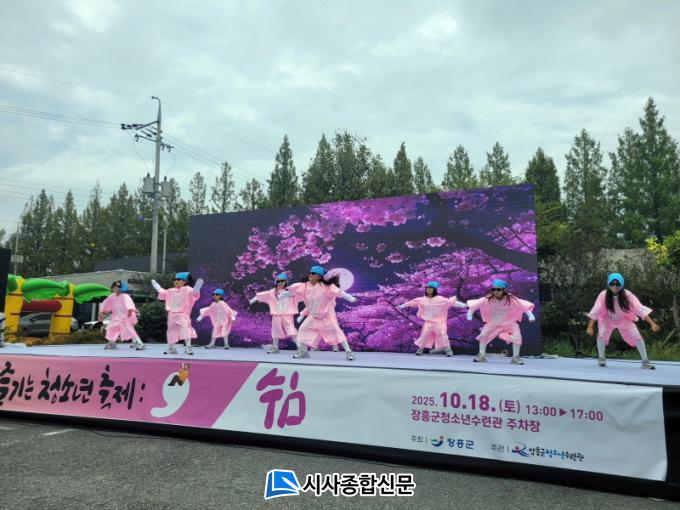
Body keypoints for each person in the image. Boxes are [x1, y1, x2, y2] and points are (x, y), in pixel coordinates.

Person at [586, 273, 659, 369]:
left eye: (618, 284)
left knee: (637, 336)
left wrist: (652, 323)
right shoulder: (603, 295)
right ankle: (601, 358)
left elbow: (639, 308)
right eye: (612, 283)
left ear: (622, 284)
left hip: (624, 319)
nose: (615, 286)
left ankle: (645, 361)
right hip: (607, 319)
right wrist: (590, 326)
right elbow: (596, 309)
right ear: (608, 284)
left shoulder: (627, 295)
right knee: (602, 334)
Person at [283, 266, 357, 360]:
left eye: (313, 273)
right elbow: (295, 291)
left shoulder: (327, 287)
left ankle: (349, 352)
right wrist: (285, 294)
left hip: (326, 316)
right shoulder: (305, 286)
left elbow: (339, 292)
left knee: (336, 333)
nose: (310, 275)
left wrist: (350, 298)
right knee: (302, 330)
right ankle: (304, 352)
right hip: (313, 316)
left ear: (319, 276)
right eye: (310, 273)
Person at [467, 279, 535, 365]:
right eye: (494, 289)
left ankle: (516, 357)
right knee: (483, 335)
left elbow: (523, 306)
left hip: (509, 323)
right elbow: (475, 305)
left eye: (498, 289)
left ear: (504, 290)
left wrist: (531, 316)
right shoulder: (487, 299)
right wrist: (469, 315)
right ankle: (481, 355)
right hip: (493, 322)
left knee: (517, 336)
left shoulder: (511, 299)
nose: (496, 291)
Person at [398, 281, 467, 356]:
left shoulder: (441, 299)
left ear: (434, 290)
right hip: (428, 322)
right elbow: (412, 302)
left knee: (442, 335)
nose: (428, 289)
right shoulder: (422, 299)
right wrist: (402, 306)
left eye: (430, 288)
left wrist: (464, 305)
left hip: (440, 322)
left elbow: (451, 302)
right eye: (427, 288)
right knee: (424, 335)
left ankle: (448, 351)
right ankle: (420, 349)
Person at [151, 272, 203, 355]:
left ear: (184, 281)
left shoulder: (188, 289)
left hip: (183, 314)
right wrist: (156, 285)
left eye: (178, 279)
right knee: (171, 331)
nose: (176, 281)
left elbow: (194, 293)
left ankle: (188, 347)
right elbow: (162, 291)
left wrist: (198, 286)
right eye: (174, 279)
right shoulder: (171, 290)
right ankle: (172, 348)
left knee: (186, 329)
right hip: (172, 314)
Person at [249, 273, 301, 354]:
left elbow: (300, 291)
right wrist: (253, 299)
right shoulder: (273, 292)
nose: (280, 282)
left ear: (286, 281)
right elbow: (263, 295)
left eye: (282, 281)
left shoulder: (290, 291)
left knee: (291, 329)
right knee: (275, 330)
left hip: (287, 314)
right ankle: (275, 347)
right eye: (278, 281)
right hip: (276, 314)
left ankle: (300, 347)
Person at [99, 281, 145, 351]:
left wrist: (127, 317)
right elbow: (107, 303)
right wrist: (103, 311)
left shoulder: (125, 296)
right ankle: (112, 344)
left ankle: (140, 344)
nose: (115, 288)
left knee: (130, 329)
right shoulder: (112, 296)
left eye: (117, 287)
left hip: (127, 316)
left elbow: (130, 308)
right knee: (111, 328)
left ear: (121, 288)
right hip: (117, 317)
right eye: (114, 287)